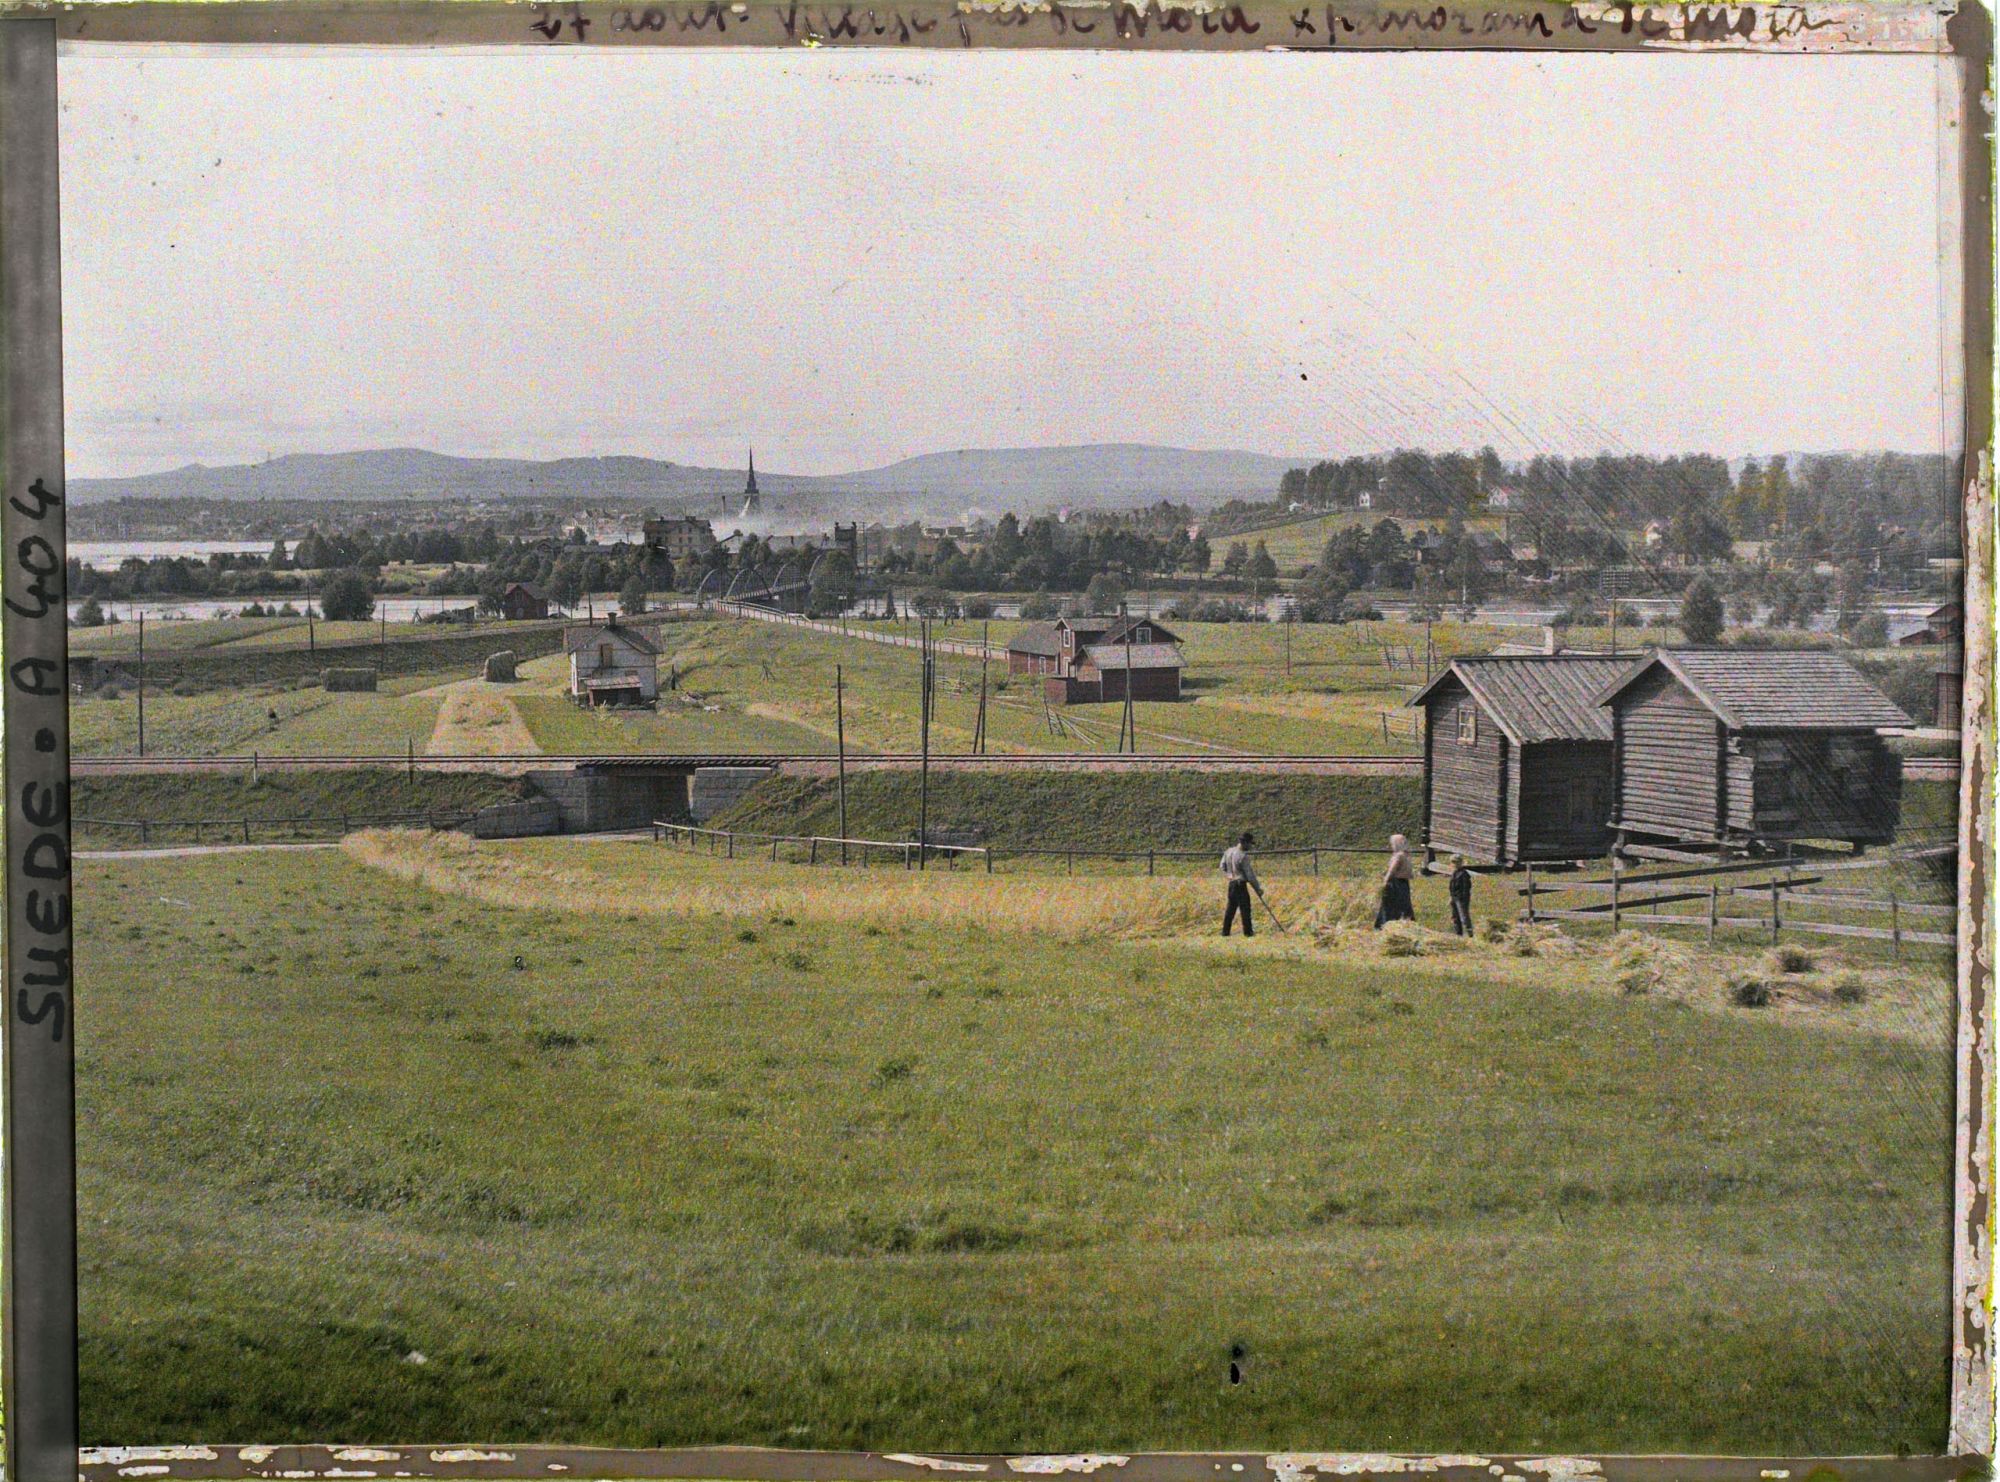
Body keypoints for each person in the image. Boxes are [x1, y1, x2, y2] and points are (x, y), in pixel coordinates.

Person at [1220, 830, 1261, 937]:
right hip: (1240, 884)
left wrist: (1229, 874)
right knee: (1245, 909)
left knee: (1230, 909)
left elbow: (1222, 866)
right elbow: (1250, 875)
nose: (1250, 846)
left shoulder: (1228, 851)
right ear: (1245, 843)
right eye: (1250, 844)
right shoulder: (1243, 856)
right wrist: (1258, 889)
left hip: (1231, 884)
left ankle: (1225, 932)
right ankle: (1248, 932)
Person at [1374, 832, 1416, 928]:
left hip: (1395, 883)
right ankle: (1407, 922)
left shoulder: (1398, 856)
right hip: (1404, 883)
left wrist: (1385, 881)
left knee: (1390, 904)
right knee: (1404, 904)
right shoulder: (1407, 855)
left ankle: (1385, 924)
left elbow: (1392, 870)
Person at [1448, 854, 1474, 936]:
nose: (1454, 864)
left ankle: (1470, 934)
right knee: (1455, 917)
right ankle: (1458, 934)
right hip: (1454, 897)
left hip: (1461, 898)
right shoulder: (1454, 873)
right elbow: (1452, 887)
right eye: (1453, 862)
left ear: (1461, 863)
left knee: (1464, 917)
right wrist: (1451, 897)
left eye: (1456, 862)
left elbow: (1466, 888)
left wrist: (1463, 899)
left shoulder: (1464, 874)